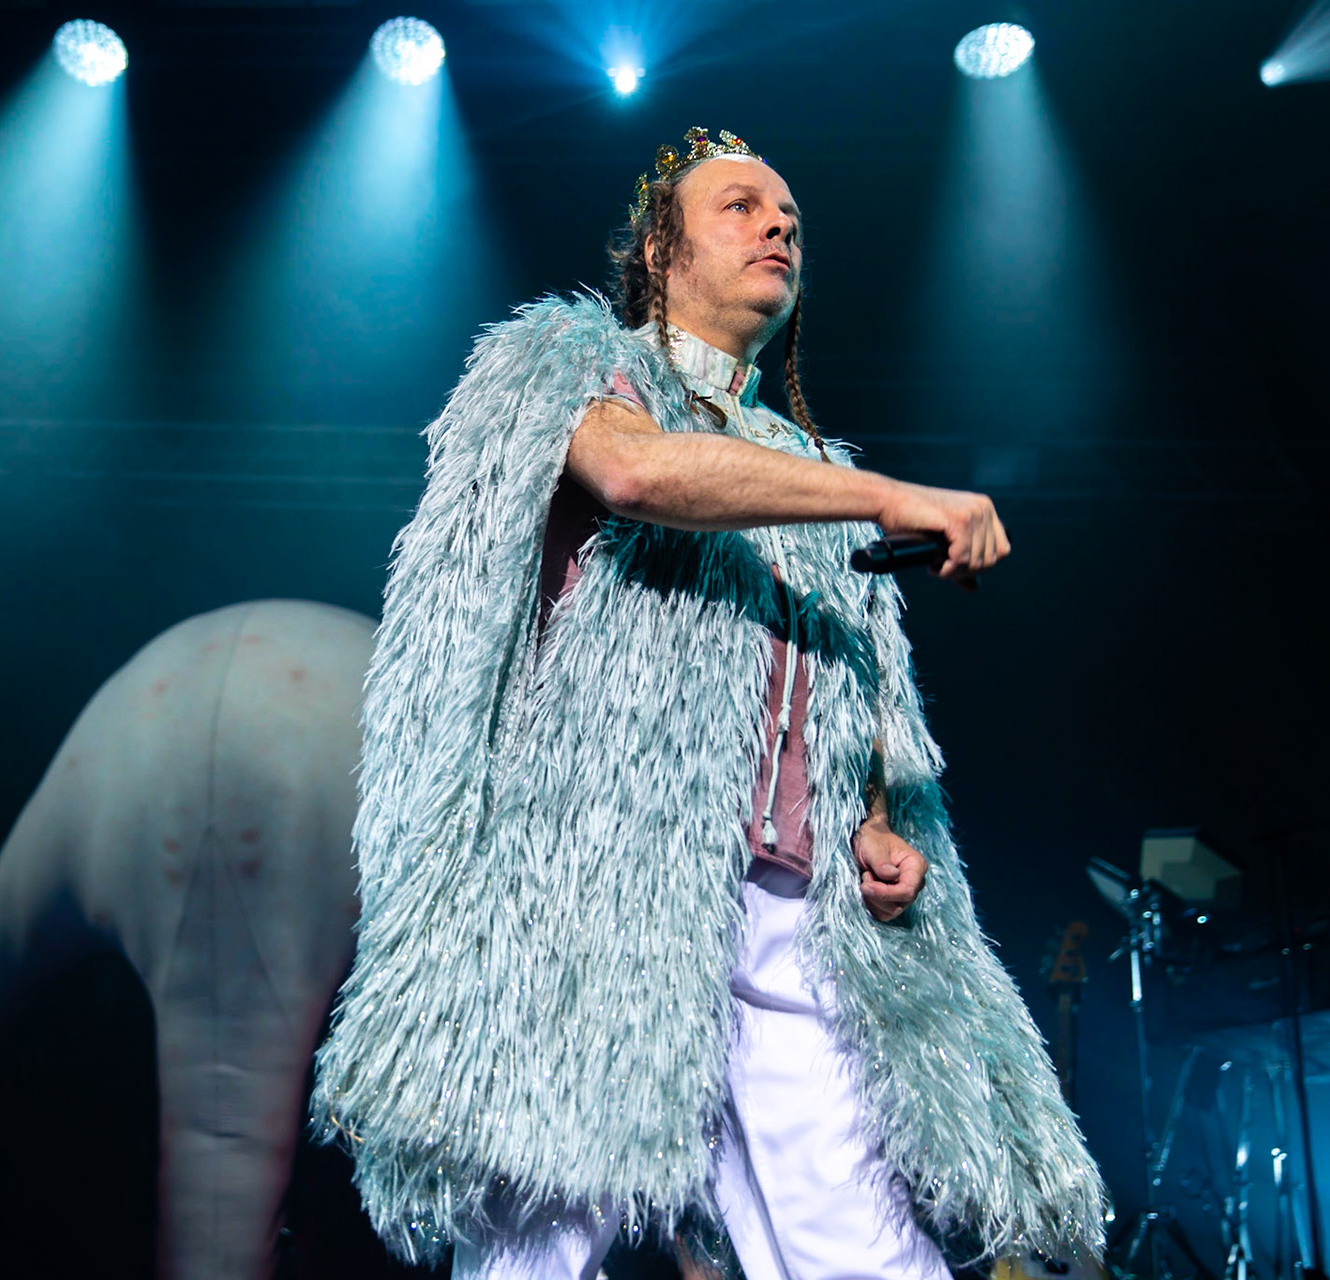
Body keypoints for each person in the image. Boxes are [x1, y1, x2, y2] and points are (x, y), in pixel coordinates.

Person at [310, 127, 1105, 1280]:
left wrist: (879, 809)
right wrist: (887, 493)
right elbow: (637, 473)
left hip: (789, 898)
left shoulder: (798, 454)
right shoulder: (572, 360)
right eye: (741, 206)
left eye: (790, 214)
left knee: (858, 1237)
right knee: (545, 1231)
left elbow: (860, 664)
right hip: (596, 886)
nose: (780, 225)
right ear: (659, 248)